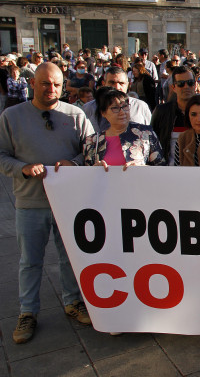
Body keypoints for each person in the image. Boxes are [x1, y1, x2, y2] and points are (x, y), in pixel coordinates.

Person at [0, 63, 95, 344]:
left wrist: (74, 162)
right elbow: (2, 156)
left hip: (68, 203)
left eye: (55, 84)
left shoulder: (75, 115)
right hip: (31, 202)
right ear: (33, 84)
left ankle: (73, 301)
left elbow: (91, 152)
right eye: (44, 83)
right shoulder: (11, 116)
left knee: (69, 257)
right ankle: (27, 311)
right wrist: (24, 168)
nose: (50, 89)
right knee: (30, 261)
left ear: (62, 86)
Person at [83, 88, 164, 168]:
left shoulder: (146, 133)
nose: (122, 112)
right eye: (115, 108)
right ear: (103, 113)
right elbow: (86, 174)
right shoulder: (92, 141)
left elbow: (161, 167)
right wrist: (95, 169)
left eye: (125, 106)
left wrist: (142, 168)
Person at [82, 67, 152, 133]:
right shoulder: (89, 108)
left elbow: (150, 133)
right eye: (112, 83)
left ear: (128, 85)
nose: (117, 87)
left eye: (121, 83)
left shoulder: (140, 106)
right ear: (104, 84)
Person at [151, 66, 196, 165]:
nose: (186, 87)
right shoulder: (162, 111)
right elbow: (152, 142)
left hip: (198, 171)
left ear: (195, 85)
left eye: (190, 83)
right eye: (181, 84)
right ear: (173, 87)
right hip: (168, 172)